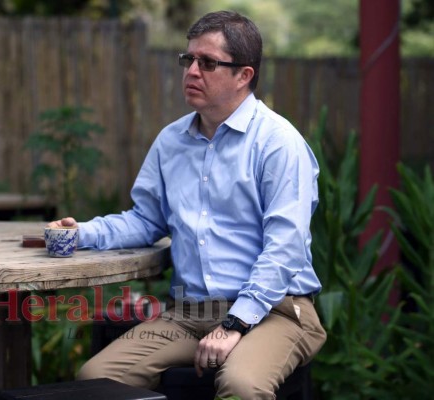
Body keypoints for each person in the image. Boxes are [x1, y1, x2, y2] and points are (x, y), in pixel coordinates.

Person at [48, 10, 326, 400]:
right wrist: (83, 233)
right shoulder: (171, 141)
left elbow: (285, 249)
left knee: (241, 386)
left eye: (207, 63)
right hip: (191, 312)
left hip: (275, 310)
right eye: (188, 60)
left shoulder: (279, 143)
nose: (192, 71)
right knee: (98, 377)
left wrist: (234, 324)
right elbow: (146, 220)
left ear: (244, 75)